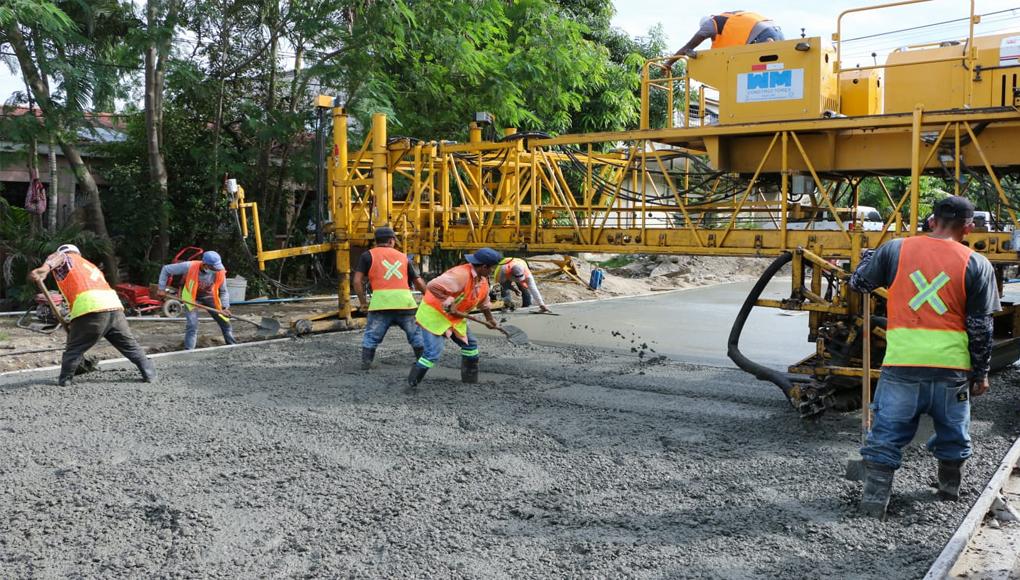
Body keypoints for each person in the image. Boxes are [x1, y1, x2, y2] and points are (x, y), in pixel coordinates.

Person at [849, 196, 1000, 519]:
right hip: (952, 370)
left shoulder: (895, 249)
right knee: (953, 433)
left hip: (902, 364)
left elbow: (860, 283)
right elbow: (981, 328)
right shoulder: (977, 264)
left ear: (932, 221)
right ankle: (948, 490)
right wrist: (981, 372)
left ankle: (874, 503)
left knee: (887, 434)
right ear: (969, 228)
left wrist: (867, 259)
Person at [29, 244, 156, 386]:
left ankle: (65, 380)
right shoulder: (89, 265)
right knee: (129, 345)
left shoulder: (68, 257)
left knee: (74, 348)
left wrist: (45, 268)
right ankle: (149, 373)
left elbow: (60, 256)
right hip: (114, 307)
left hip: (91, 308)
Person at [408, 248, 502, 390]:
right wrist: (449, 302)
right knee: (432, 353)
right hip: (435, 315)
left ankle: (470, 381)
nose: (492, 271)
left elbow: (483, 302)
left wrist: (490, 319)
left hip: (454, 318)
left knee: (471, 345)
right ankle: (412, 383)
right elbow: (433, 286)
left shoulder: (482, 280)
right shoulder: (460, 274)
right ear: (484, 266)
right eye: (492, 268)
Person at [354, 227, 428, 370]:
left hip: (380, 305)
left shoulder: (367, 256)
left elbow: (357, 281)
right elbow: (418, 282)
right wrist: (430, 296)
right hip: (405, 304)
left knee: (372, 336)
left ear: (376, 241)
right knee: (415, 335)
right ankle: (423, 363)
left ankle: (366, 364)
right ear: (391, 240)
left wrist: (363, 303)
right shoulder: (403, 257)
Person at [157, 251, 236, 350]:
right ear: (205, 264)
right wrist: (161, 288)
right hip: (191, 296)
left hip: (208, 295)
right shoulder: (189, 266)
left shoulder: (220, 271)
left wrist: (225, 307)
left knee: (225, 322)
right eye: (213, 267)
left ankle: (233, 347)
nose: (216, 269)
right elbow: (166, 269)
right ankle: (189, 352)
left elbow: (224, 291)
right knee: (192, 325)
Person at [667, 11, 783, 64]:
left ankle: (766, 44)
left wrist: (668, 63)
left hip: (761, 35)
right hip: (777, 31)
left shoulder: (710, 24)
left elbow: (688, 46)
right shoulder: (728, 18)